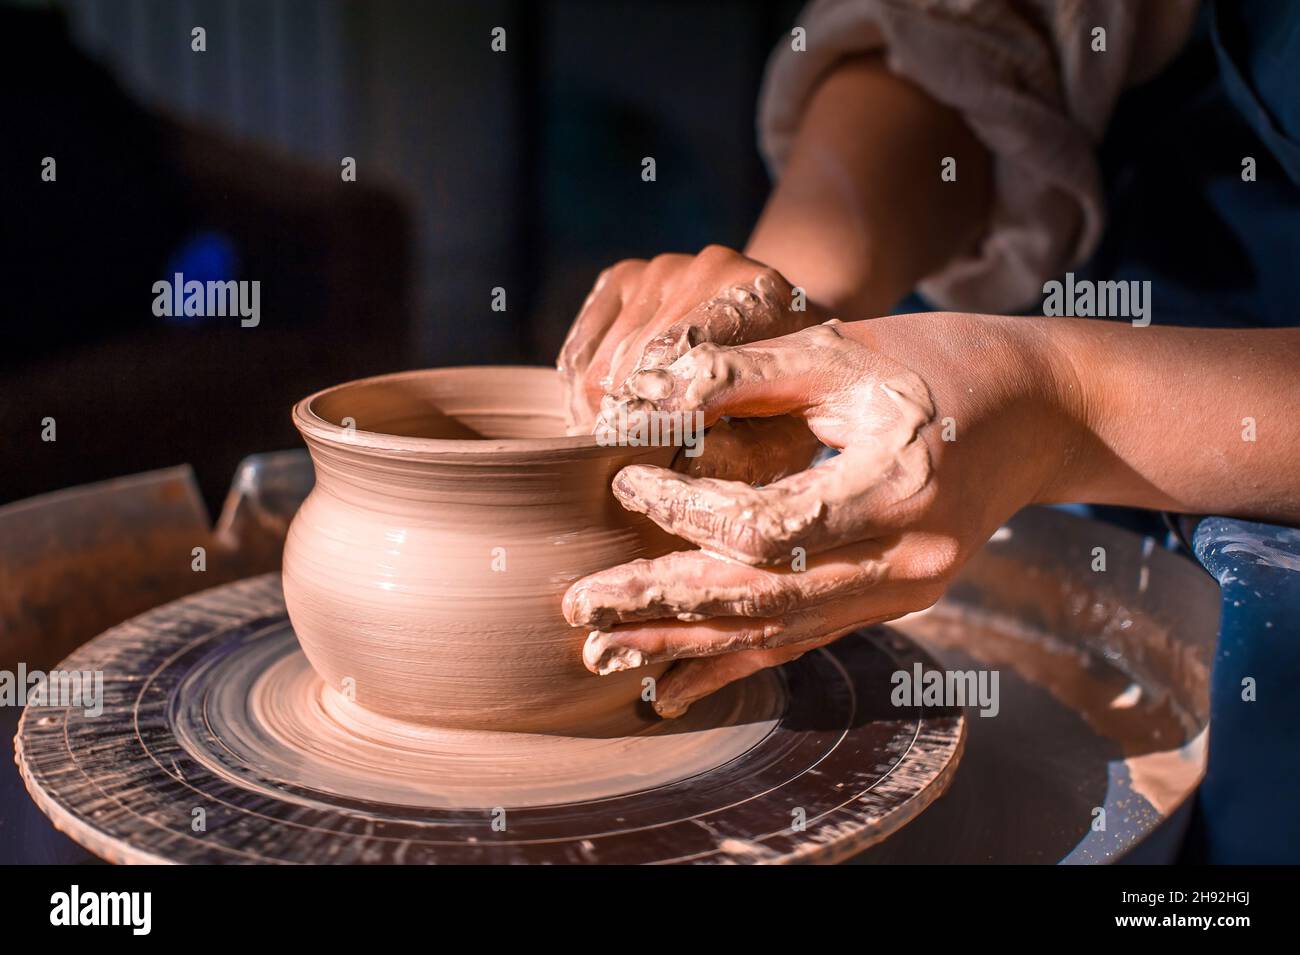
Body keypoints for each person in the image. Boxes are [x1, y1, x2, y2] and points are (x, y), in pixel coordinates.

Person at [555, 1, 1300, 862]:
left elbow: (1041, 398)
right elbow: (992, 29)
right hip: (1034, 363)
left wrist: (1060, 402)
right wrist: (792, 301)